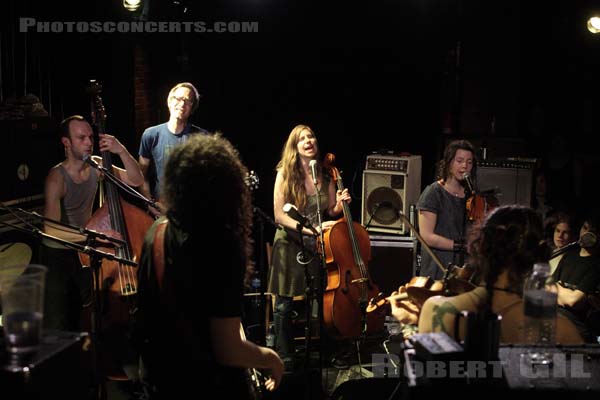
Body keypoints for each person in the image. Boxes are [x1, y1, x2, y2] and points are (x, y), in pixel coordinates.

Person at [133, 134, 283, 399]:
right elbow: (228, 349)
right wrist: (271, 359)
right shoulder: (221, 243)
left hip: (161, 380)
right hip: (207, 384)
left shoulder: (156, 231)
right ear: (228, 186)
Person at [391, 205, 583, 345]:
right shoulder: (562, 330)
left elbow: (428, 378)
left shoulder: (436, 311)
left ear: (480, 249)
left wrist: (409, 327)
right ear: (537, 258)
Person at [42, 115, 144, 331]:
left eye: (90, 137)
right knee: (57, 320)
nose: (89, 142)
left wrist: (121, 150)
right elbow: (50, 229)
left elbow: (136, 180)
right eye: (81, 138)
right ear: (66, 143)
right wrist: (96, 236)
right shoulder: (56, 177)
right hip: (58, 251)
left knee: (91, 309)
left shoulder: (96, 165)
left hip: (84, 247)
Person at [267, 124, 350, 370]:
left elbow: (331, 210)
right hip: (290, 240)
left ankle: (324, 349)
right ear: (294, 146)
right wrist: (308, 230)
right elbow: (279, 216)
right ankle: (285, 354)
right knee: (284, 302)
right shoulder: (285, 173)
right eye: (302, 138)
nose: (308, 141)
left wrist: (341, 204)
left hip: (318, 243)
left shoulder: (324, 175)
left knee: (321, 297)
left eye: (311, 136)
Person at [138, 82, 208, 215]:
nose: (182, 104)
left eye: (188, 101)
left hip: (191, 213)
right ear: (170, 101)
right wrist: (150, 204)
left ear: (192, 108)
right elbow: (142, 175)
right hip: (160, 210)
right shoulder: (151, 135)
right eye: (178, 98)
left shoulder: (202, 138)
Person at [416, 139, 477, 281]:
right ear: (449, 163)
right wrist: (459, 246)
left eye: (469, 162)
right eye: (459, 161)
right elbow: (427, 236)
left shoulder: (472, 195)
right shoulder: (433, 193)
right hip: (438, 270)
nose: (465, 166)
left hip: (464, 271)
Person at [553, 212, 600, 342]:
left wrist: (559, 289)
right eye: (584, 228)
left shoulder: (596, 264)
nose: (586, 233)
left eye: (592, 231)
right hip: (553, 319)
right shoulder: (569, 255)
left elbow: (574, 300)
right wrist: (566, 293)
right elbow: (548, 286)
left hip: (575, 328)